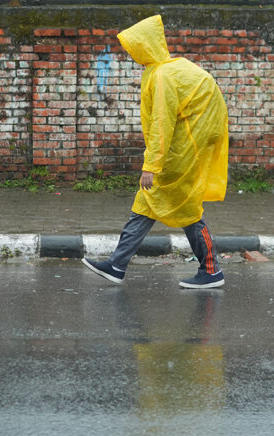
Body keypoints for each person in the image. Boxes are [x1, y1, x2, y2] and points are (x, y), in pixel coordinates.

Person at [82, 15, 229, 289]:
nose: (132, 54)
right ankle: (116, 265)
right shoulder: (166, 68)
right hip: (188, 142)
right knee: (146, 204)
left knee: (186, 207)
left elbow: (162, 123)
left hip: (185, 148)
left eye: (134, 48)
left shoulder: (163, 75)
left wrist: (151, 165)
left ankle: (211, 271)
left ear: (145, 46)